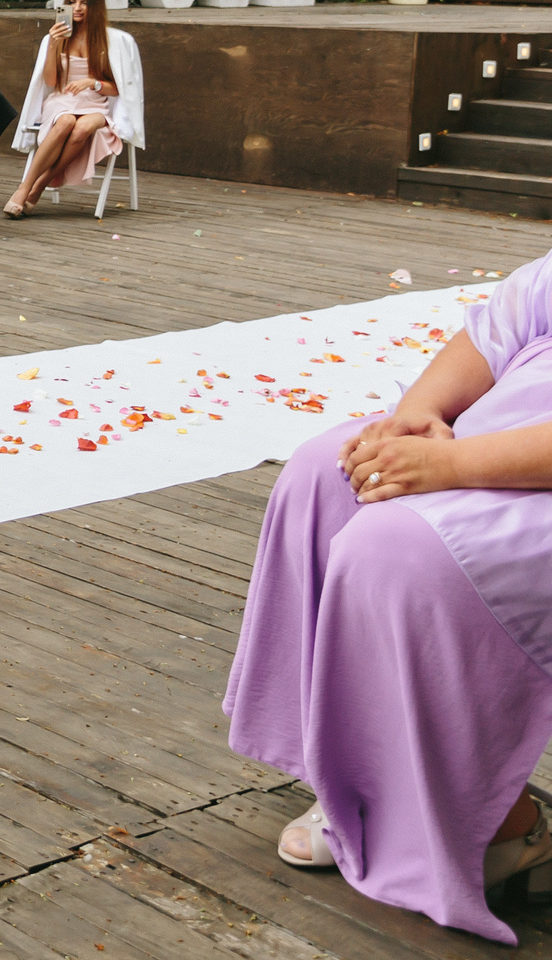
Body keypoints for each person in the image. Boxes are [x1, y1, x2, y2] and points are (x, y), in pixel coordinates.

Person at [225, 250, 552, 942]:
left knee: (398, 546)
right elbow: (497, 329)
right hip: (491, 439)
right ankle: (352, 780)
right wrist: (418, 415)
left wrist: (452, 464)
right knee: (323, 473)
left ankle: (504, 826)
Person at [6, 0, 138, 218]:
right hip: (62, 100)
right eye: (72, 2)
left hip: (95, 104)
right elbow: (50, 82)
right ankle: (25, 188)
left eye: (84, 3)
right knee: (66, 121)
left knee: (82, 128)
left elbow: (118, 89)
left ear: (95, 6)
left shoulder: (110, 41)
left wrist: (93, 82)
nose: (77, 8)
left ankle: (37, 186)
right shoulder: (56, 37)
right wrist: (53, 45)